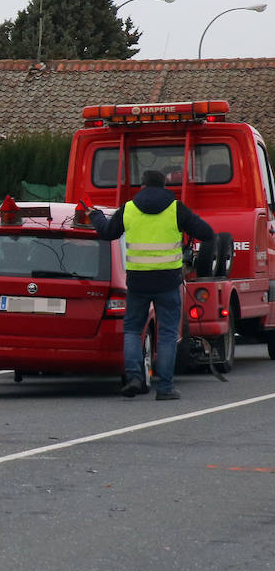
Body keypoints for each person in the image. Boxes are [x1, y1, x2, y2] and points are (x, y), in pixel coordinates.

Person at [91, 168, 214, 400]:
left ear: (143, 187)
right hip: (168, 281)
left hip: (138, 282)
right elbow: (207, 233)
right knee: (167, 334)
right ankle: (165, 388)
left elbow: (107, 233)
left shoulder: (128, 209)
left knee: (132, 330)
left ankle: (135, 378)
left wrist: (96, 216)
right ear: (165, 187)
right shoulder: (176, 209)